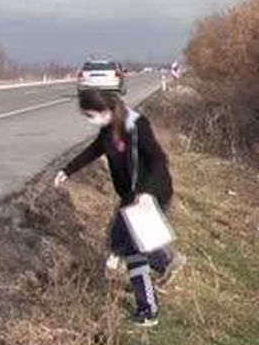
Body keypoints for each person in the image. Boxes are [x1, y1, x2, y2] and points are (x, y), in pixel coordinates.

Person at [53, 89, 180, 326]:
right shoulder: (108, 130)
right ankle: (165, 261)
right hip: (131, 196)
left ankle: (148, 310)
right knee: (117, 239)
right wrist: (66, 170)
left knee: (133, 250)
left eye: (91, 115)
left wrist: (147, 193)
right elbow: (93, 150)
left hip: (151, 195)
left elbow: (158, 160)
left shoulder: (136, 126)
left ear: (105, 110)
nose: (90, 120)